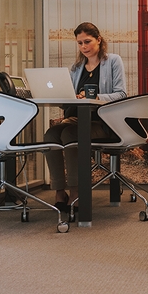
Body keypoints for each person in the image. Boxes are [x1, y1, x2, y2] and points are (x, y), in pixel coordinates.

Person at [44, 22, 127, 211]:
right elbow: (70, 97)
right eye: (80, 43)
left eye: (87, 42)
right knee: (50, 135)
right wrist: (63, 97)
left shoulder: (113, 61)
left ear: (99, 40)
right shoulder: (76, 68)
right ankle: (59, 192)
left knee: (70, 136)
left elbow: (121, 94)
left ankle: (76, 192)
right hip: (77, 117)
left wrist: (95, 97)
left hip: (103, 122)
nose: (83, 47)